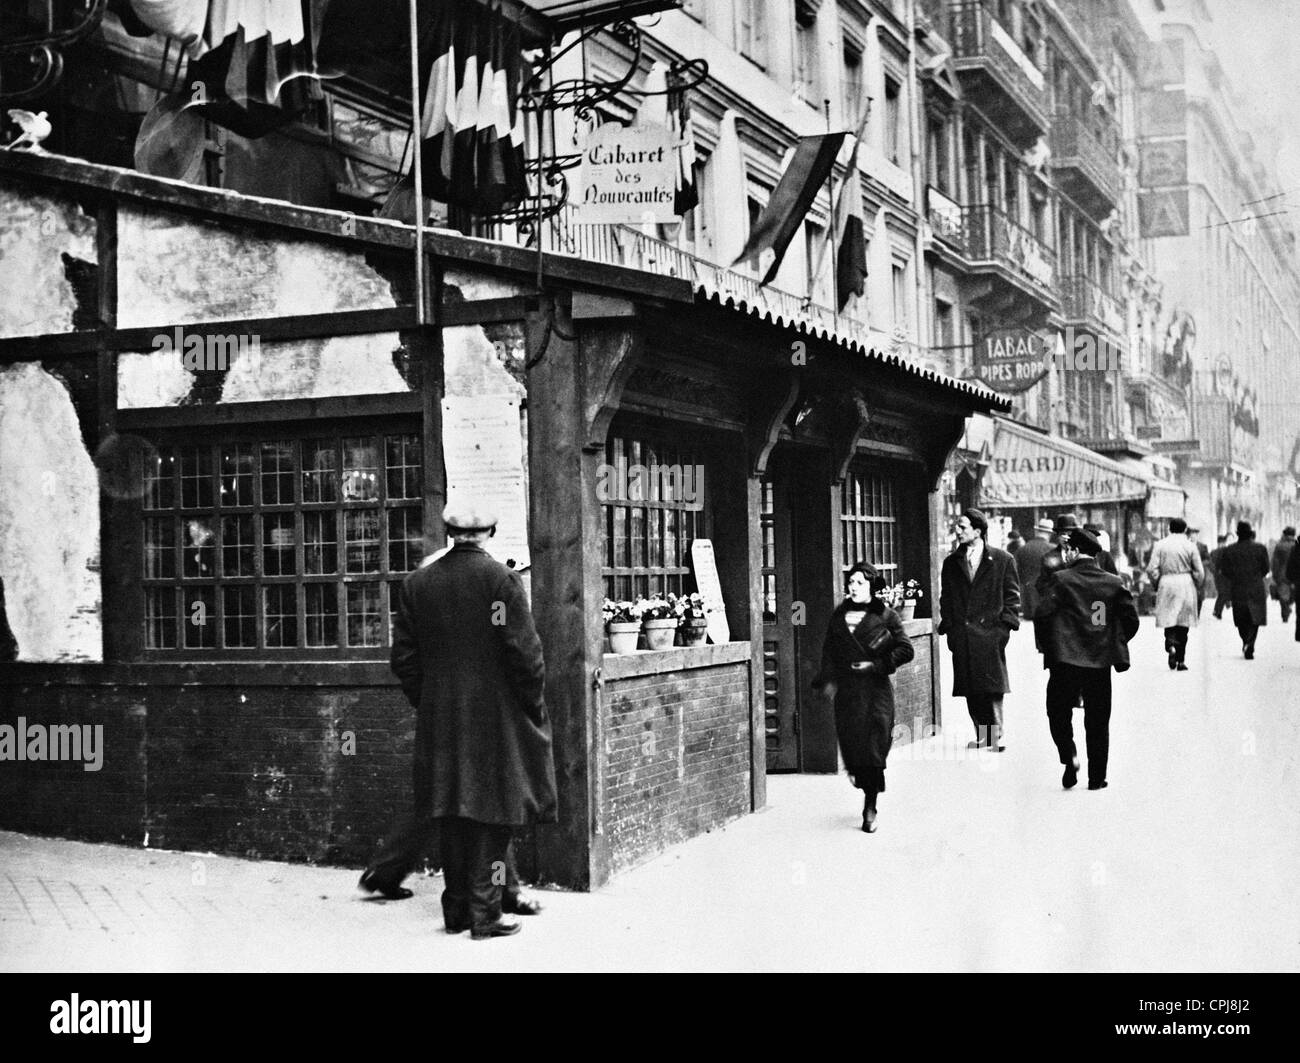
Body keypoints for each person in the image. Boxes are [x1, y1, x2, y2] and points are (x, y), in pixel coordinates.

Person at [358, 499, 558, 939]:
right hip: (496, 717)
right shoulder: (500, 582)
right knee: (493, 811)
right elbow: (523, 654)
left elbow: (405, 658)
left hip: (441, 718)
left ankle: (457, 913)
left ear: (450, 533)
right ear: (490, 532)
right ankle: (486, 917)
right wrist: (530, 705)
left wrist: (429, 700)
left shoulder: (418, 584)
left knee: (449, 809)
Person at [813, 561, 915, 833]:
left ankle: (870, 807)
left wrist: (876, 665)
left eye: (860, 582)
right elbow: (829, 651)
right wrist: (828, 680)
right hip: (848, 693)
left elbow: (906, 649)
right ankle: (861, 779)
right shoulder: (840, 615)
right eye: (851, 582)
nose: (854, 587)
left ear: (871, 585)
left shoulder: (885, 615)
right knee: (853, 749)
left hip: (875, 693)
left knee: (873, 748)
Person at [1036, 528, 1140, 791]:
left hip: (1065, 662)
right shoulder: (1113, 583)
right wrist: (1112, 641)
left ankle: (1069, 756)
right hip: (1100, 661)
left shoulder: (1060, 579)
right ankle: (1096, 778)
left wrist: (1051, 647)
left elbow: (1042, 615)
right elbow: (1131, 620)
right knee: (1098, 720)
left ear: (1072, 551)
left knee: (1057, 712)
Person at [938, 508, 1021, 752]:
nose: (958, 531)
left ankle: (996, 735)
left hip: (990, 633)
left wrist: (1004, 630)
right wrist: (952, 630)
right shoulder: (951, 563)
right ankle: (983, 735)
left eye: (963, 527)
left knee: (991, 686)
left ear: (978, 531)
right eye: (957, 526)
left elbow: (1013, 598)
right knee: (971, 687)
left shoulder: (1003, 560)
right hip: (963, 634)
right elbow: (946, 599)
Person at [1145, 516, 1203, 670]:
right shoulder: (1190, 546)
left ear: (1169, 529)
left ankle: (1171, 645)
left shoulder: (1160, 545)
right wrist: (1196, 584)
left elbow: (1151, 569)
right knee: (1184, 622)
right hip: (1185, 583)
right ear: (1185, 530)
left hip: (1167, 583)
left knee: (1169, 618)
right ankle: (1181, 660)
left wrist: (1158, 582)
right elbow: (1199, 571)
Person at [1217, 520, 1270, 659]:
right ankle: (1250, 642)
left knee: (1241, 618)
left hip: (1238, 587)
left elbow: (1225, 571)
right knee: (1255, 617)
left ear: (1238, 534)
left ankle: (1246, 641)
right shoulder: (1261, 548)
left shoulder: (1229, 550)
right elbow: (1266, 569)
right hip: (1256, 586)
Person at [1015, 517, 1056, 633]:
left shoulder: (1022, 549)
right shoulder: (1053, 550)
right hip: (1047, 603)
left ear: (1037, 531)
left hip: (1027, 603)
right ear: (1050, 533)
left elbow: (1015, 574)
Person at [1270, 526, 1296, 624]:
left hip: (1282, 574)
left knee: (1283, 595)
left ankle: (1285, 615)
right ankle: (1289, 605)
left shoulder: (1279, 546)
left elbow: (1274, 562)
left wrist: (1275, 575)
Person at [1209, 533, 1232, 619]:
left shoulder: (1213, 552)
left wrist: (1214, 572)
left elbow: (1210, 564)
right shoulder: (1227, 551)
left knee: (1222, 593)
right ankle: (1218, 611)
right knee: (1223, 593)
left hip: (1218, 577)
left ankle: (1219, 609)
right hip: (1225, 576)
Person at [1287, 538, 1300, 643]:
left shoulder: (1295, 550)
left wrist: (1292, 580)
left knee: (1299, 610)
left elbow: (1290, 568)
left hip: (1299, 583)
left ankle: (1299, 633)